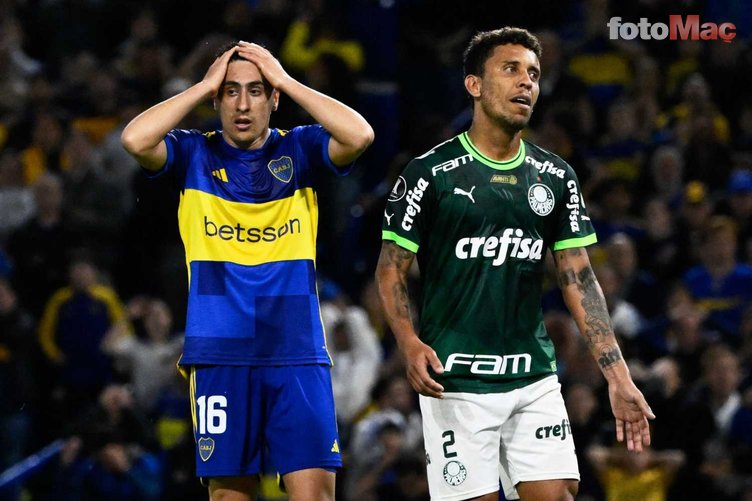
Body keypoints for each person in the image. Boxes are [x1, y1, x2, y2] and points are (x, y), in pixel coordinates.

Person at [375, 27, 653, 501]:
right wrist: (408, 341)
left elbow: (579, 278)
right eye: (511, 69)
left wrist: (618, 376)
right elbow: (391, 269)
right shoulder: (430, 174)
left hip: (533, 376)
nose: (526, 82)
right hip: (456, 380)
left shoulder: (555, 176)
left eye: (534, 74)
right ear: (474, 85)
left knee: (558, 495)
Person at [120, 40, 374, 501]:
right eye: (230, 91)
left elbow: (359, 136)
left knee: (315, 496)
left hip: (295, 347)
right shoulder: (194, 153)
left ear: (273, 99)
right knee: (229, 497)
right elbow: (135, 140)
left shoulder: (300, 148)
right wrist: (202, 87)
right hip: (221, 351)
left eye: (256, 91)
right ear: (217, 100)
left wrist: (287, 80)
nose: (242, 105)